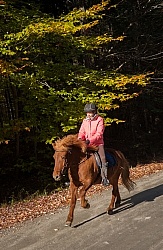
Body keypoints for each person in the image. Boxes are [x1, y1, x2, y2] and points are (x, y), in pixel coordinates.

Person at [78, 103, 109, 186]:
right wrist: (80, 139)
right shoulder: (85, 121)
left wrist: (89, 140)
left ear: (94, 111)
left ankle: (104, 177)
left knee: (103, 158)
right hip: (86, 144)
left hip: (98, 144)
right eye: (87, 113)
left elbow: (99, 134)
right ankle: (75, 179)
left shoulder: (100, 120)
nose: (88, 114)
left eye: (90, 112)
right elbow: (82, 132)